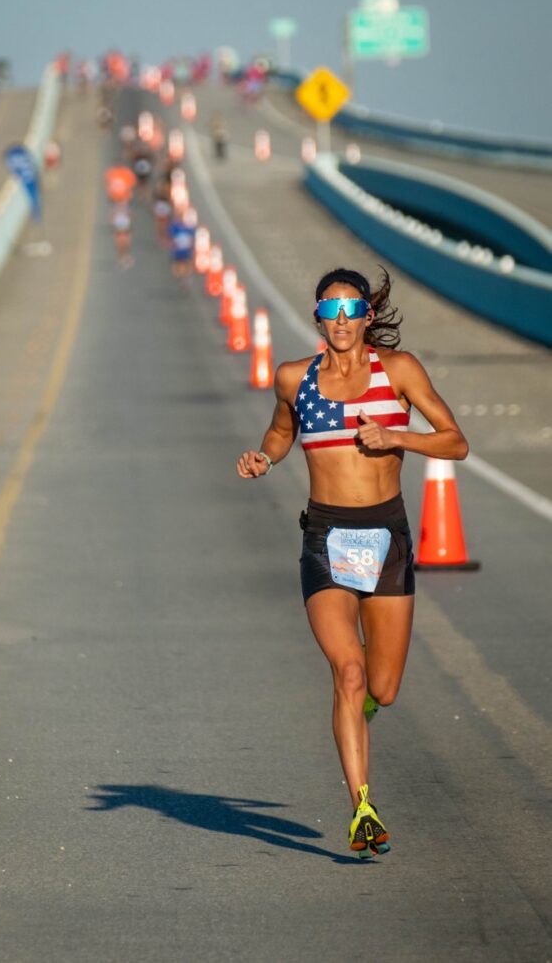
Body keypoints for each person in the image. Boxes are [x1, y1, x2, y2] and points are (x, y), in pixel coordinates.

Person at [236, 267, 468, 858]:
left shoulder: (399, 371)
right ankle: (362, 806)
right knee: (349, 671)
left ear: (367, 316)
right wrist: (264, 458)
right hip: (325, 540)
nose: (341, 320)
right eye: (330, 310)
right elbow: (281, 433)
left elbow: (455, 441)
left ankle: (358, 709)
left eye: (351, 309)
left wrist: (398, 439)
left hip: (386, 538)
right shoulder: (296, 378)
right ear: (318, 318)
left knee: (383, 690)